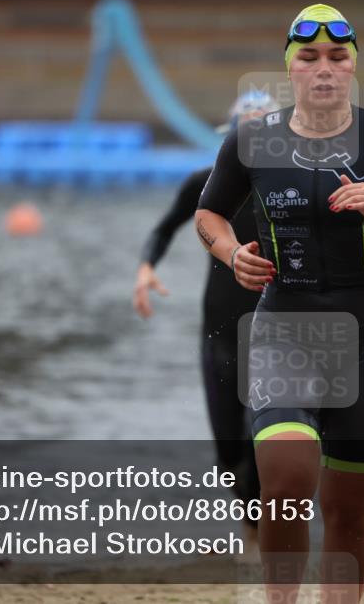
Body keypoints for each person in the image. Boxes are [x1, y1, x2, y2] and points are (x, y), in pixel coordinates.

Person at [195, 3, 364, 603]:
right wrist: (231, 253)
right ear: (292, 69)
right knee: (286, 479)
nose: (324, 69)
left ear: (353, 66)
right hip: (284, 325)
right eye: (309, 58)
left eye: (338, 57)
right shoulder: (252, 141)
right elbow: (207, 214)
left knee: (347, 510)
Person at [133, 91, 279, 554]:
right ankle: (253, 520)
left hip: (275, 333)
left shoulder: (290, 189)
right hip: (218, 332)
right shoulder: (206, 184)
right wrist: (145, 267)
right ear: (229, 136)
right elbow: (165, 227)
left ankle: (261, 534)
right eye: (244, 128)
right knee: (227, 457)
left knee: (266, 436)